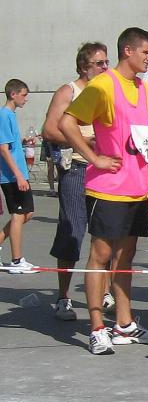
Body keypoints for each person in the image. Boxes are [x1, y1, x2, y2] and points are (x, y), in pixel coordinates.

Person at [59, 27, 148, 355]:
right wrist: (95, 158)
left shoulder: (144, 89)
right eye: (145, 52)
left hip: (136, 189)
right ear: (128, 51)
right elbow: (67, 123)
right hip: (107, 190)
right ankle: (97, 327)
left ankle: (124, 324)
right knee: (100, 257)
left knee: (125, 257)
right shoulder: (104, 85)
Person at [43, 42, 111, 320]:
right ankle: (64, 297)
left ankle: (104, 292)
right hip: (78, 169)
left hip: (105, 171)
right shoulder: (69, 91)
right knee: (72, 230)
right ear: (84, 66)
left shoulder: (108, 90)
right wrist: (84, 141)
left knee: (106, 232)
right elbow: (50, 130)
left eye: (107, 62)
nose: (105, 67)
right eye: (99, 63)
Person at [0, 79, 37, 273]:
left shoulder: (10, 115)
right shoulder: (4, 115)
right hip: (12, 176)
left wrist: (23, 141)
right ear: (13, 94)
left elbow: (10, 143)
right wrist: (18, 176)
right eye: (24, 95)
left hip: (18, 173)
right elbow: (3, 149)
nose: (26, 99)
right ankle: (16, 261)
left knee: (27, 213)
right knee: (19, 214)